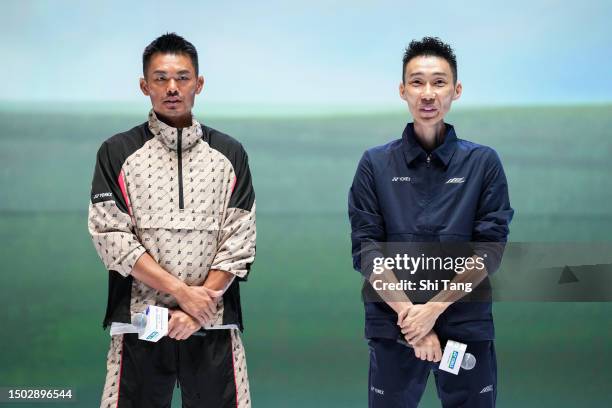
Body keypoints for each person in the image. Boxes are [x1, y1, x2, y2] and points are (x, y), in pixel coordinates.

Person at [88, 33, 255, 408]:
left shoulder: (230, 153)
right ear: (144, 86)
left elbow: (240, 242)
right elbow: (110, 237)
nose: (172, 87)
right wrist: (183, 296)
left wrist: (197, 312)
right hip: (140, 324)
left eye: (182, 77)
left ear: (199, 83)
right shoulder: (116, 151)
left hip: (212, 324)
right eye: (161, 78)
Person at [348, 37, 513, 407]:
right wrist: (412, 320)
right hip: (394, 326)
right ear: (402, 90)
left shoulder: (483, 163)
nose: (428, 93)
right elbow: (366, 250)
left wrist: (434, 309)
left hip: (464, 327)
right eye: (417, 82)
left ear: (456, 90)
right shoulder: (375, 164)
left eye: (439, 82)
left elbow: (490, 250)